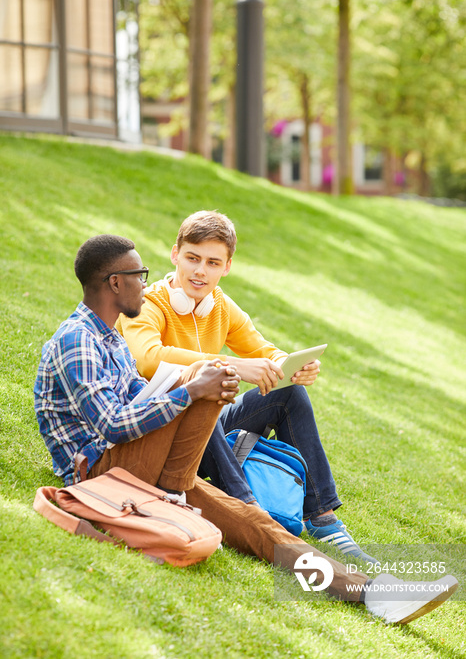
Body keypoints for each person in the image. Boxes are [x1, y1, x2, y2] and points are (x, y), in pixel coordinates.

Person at [34, 234, 458, 625]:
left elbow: (140, 397)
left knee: (258, 527)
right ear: (113, 283)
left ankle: (373, 595)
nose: (144, 287)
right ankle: (183, 492)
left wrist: (200, 386)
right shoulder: (78, 340)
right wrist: (191, 390)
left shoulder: (109, 339)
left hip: (154, 469)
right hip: (102, 474)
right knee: (201, 373)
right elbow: (111, 424)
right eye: (138, 277)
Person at [116, 211, 371, 561]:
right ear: (175, 254)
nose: (200, 271)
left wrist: (291, 366)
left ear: (227, 267)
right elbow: (148, 357)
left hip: (207, 433)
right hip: (158, 428)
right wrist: (234, 365)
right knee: (206, 393)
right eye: (192, 258)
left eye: (212, 262)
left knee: (289, 394)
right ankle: (252, 512)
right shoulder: (147, 303)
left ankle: (323, 518)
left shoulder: (219, 306)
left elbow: (263, 350)